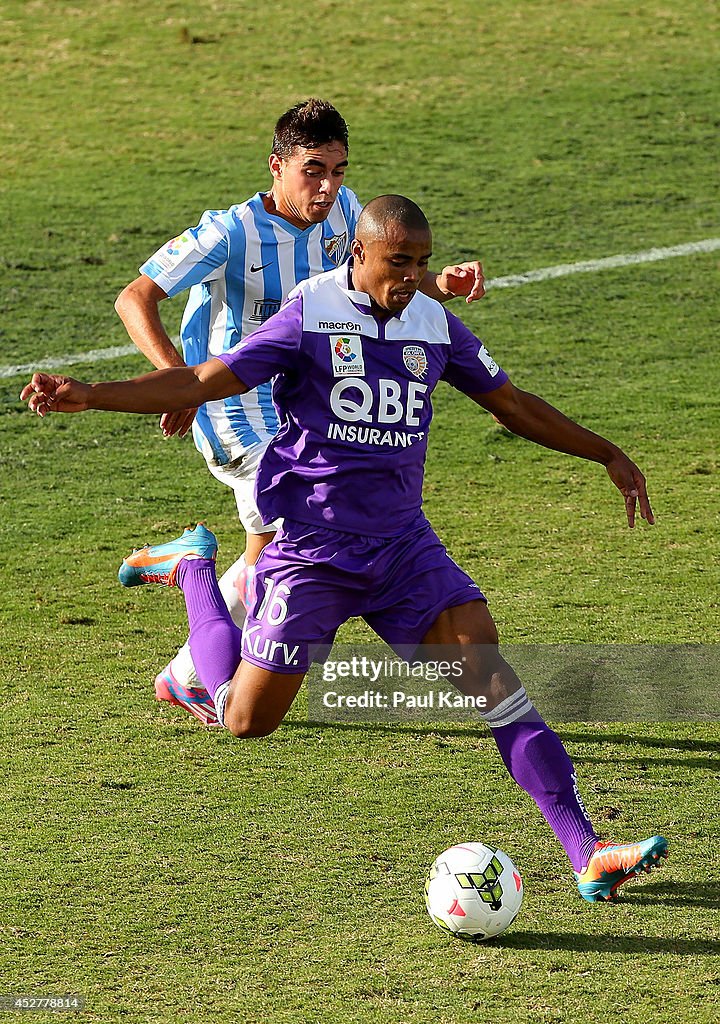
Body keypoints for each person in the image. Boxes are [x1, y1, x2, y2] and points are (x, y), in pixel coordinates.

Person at [21, 195, 667, 902]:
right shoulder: (310, 315)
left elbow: (510, 404)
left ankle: (587, 849)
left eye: (421, 263)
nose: (412, 278)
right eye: (399, 262)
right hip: (311, 554)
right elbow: (206, 379)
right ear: (358, 254)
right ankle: (194, 573)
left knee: (491, 680)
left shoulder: (432, 322)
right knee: (245, 719)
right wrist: (96, 392)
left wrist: (605, 452)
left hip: (400, 548)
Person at [113, 98, 486, 724]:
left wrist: (439, 284)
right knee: (295, 535)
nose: (328, 186)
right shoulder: (228, 233)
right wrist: (172, 377)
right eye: (313, 170)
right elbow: (135, 297)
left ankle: (188, 663)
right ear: (277, 166)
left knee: (274, 551)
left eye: (338, 171)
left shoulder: (345, 212)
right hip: (233, 402)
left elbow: (374, 273)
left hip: (308, 402)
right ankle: (198, 604)